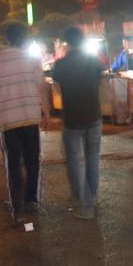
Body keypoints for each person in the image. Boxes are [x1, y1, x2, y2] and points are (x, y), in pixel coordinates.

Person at [0, 21, 51, 224]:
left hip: (7, 118)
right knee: (32, 159)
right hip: (30, 115)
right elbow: (41, 87)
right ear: (24, 38)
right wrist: (47, 114)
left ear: (6, 39)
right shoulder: (31, 59)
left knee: (13, 162)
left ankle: (17, 207)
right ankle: (31, 199)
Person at [52, 26, 104, 220]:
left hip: (72, 119)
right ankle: (91, 198)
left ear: (67, 42)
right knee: (92, 159)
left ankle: (79, 199)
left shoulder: (62, 63)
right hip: (93, 116)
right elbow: (101, 78)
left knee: (73, 160)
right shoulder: (93, 60)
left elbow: (56, 81)